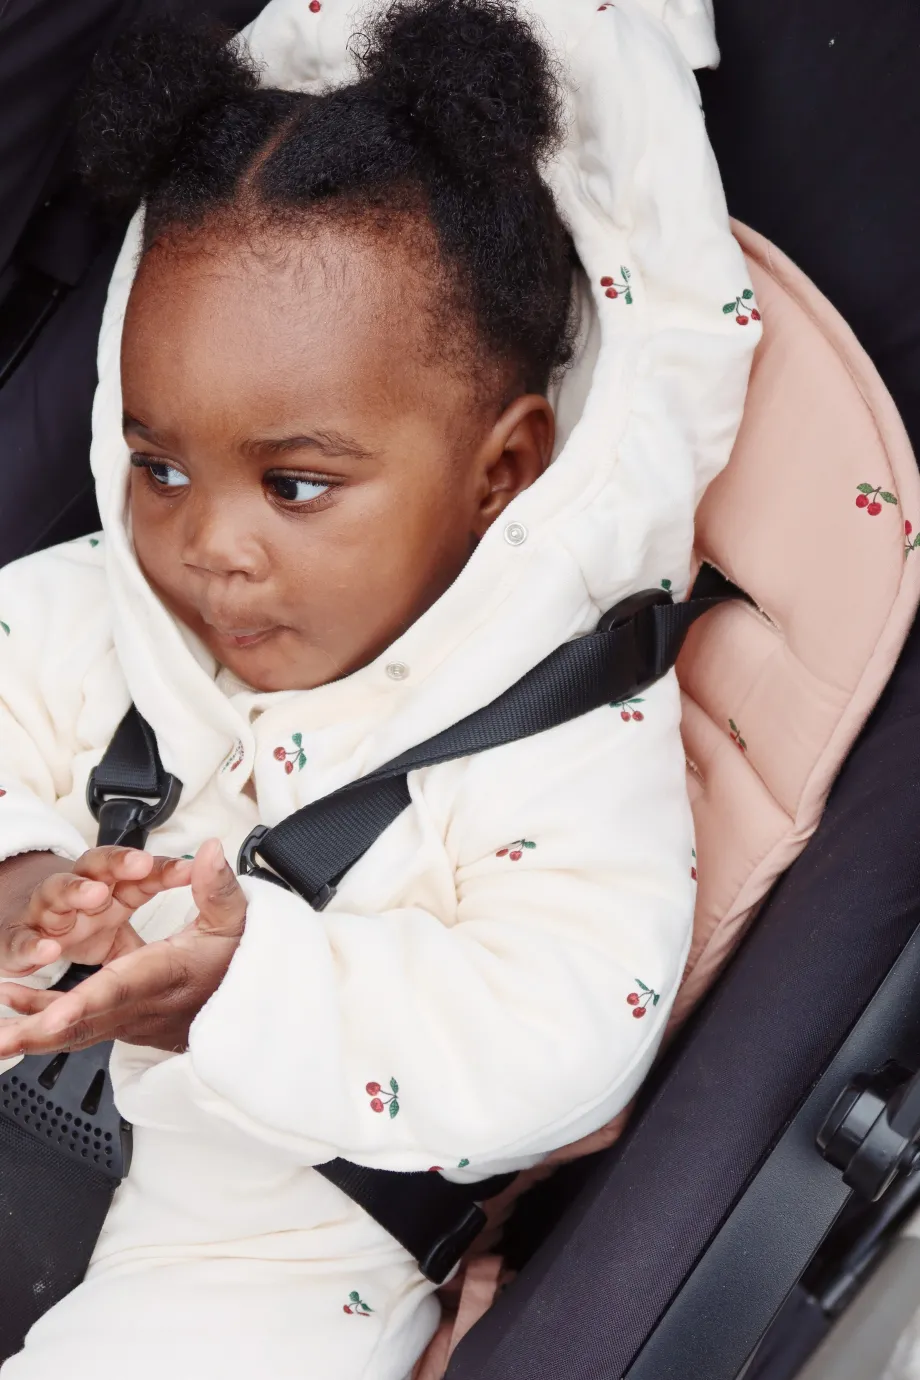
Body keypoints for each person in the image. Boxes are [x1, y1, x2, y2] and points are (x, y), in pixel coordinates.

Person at [0, 0, 756, 1376]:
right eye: (160, 466)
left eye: (295, 486)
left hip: (273, 1234)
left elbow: (557, 1031)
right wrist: (21, 875)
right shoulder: (101, 609)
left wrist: (240, 990)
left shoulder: (562, 733)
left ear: (502, 470)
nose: (209, 544)